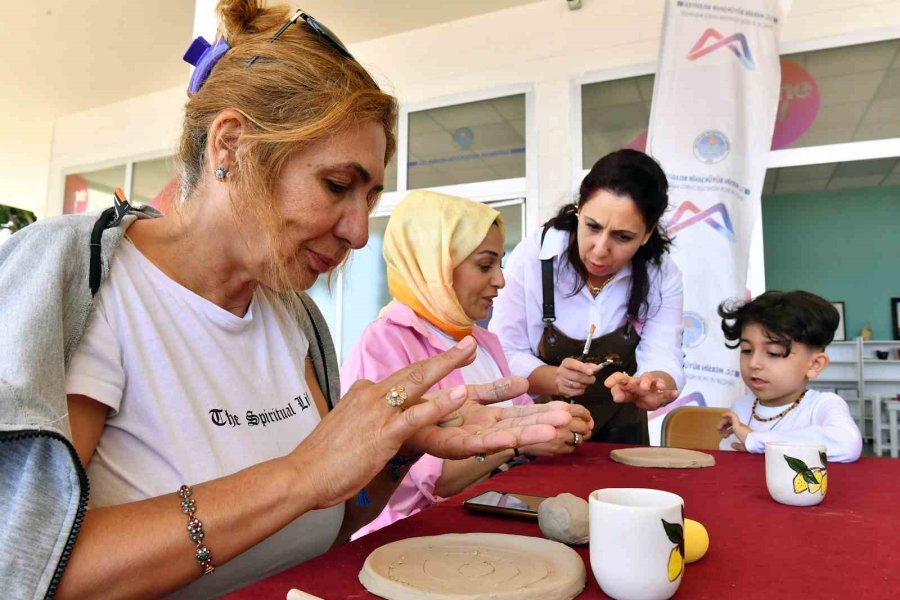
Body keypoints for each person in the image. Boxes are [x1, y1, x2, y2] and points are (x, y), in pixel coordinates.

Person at [0, 3, 573, 598]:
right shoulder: (91, 286)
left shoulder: (291, 317)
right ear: (231, 145)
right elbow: (33, 568)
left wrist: (393, 453)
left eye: (370, 196)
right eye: (336, 186)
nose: (357, 230)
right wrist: (299, 475)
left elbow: (329, 526)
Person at [341, 191, 594, 537]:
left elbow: (519, 413)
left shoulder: (484, 342)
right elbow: (416, 481)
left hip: (487, 520)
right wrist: (517, 441)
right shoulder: (384, 345)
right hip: (409, 541)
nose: (500, 280)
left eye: (500, 263)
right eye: (485, 265)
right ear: (436, 264)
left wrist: (557, 422)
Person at [490, 149, 685, 444]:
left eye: (623, 237)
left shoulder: (661, 274)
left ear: (647, 234)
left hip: (623, 435)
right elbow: (503, 353)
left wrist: (651, 385)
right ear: (579, 209)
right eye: (592, 227)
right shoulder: (534, 257)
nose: (600, 249)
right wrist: (554, 378)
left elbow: (663, 355)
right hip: (542, 433)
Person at [716, 290, 862, 462]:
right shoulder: (741, 407)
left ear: (814, 365)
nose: (753, 363)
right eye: (747, 350)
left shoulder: (823, 405)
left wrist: (755, 440)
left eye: (773, 353)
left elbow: (848, 444)